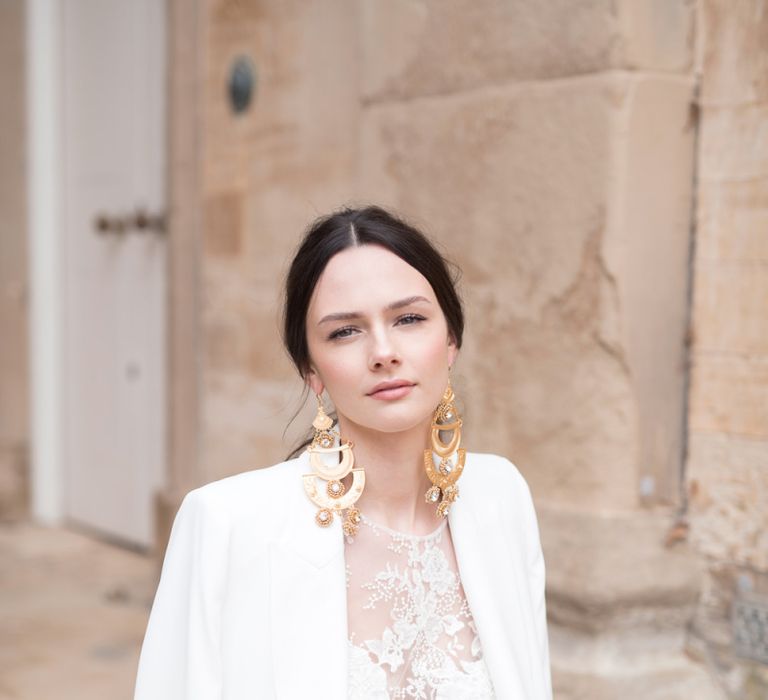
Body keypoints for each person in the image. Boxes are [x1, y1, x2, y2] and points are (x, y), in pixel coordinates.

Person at [133, 205, 552, 699]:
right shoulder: (226, 524)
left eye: (410, 318)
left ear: (451, 340)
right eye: (345, 331)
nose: (383, 351)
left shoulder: (501, 496)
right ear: (312, 369)